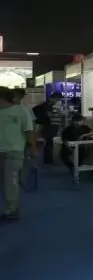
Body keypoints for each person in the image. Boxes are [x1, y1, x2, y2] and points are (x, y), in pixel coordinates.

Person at [0, 87, 36, 221]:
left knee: (10, 182)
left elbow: (29, 130)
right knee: (4, 182)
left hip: (14, 151)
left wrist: (33, 149)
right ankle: (10, 207)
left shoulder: (21, 111)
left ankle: (12, 210)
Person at [31, 91, 63, 165]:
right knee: (48, 142)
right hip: (48, 126)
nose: (58, 101)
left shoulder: (46, 104)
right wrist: (58, 114)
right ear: (55, 98)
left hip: (47, 124)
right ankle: (48, 160)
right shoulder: (48, 104)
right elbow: (49, 115)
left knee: (48, 142)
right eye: (58, 99)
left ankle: (48, 159)